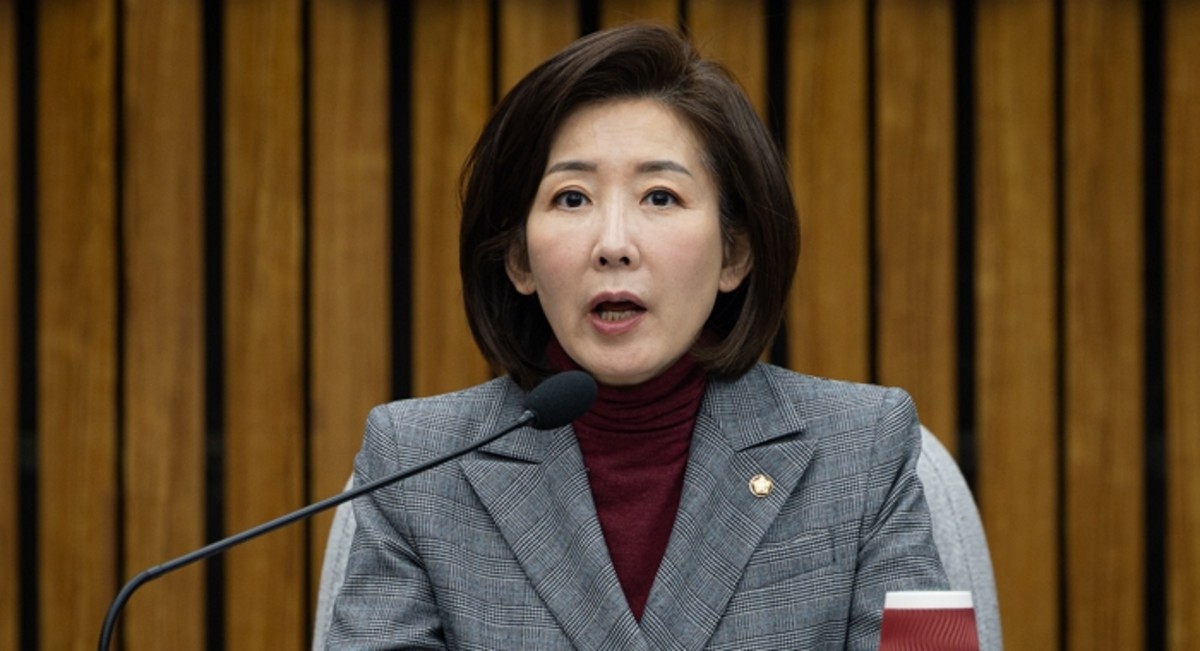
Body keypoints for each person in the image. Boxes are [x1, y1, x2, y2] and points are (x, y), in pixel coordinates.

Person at [327, 22, 948, 650]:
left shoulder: (865, 446)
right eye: (572, 199)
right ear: (518, 260)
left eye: (660, 196)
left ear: (734, 253)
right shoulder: (415, 463)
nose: (614, 244)